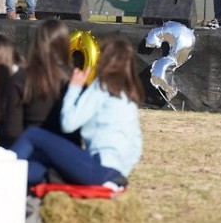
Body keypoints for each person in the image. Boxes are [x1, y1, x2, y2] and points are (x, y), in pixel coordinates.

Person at [10, 36, 144, 187]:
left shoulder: (101, 87)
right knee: (42, 169)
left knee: (33, 134)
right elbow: (137, 146)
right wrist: (118, 176)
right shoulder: (130, 95)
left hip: (99, 166)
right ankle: (6, 180)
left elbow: (69, 123)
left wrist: (74, 88)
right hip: (116, 173)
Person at [23, 20, 80, 145]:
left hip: (30, 147)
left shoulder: (22, 78)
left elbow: (13, 130)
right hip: (66, 152)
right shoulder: (76, 81)